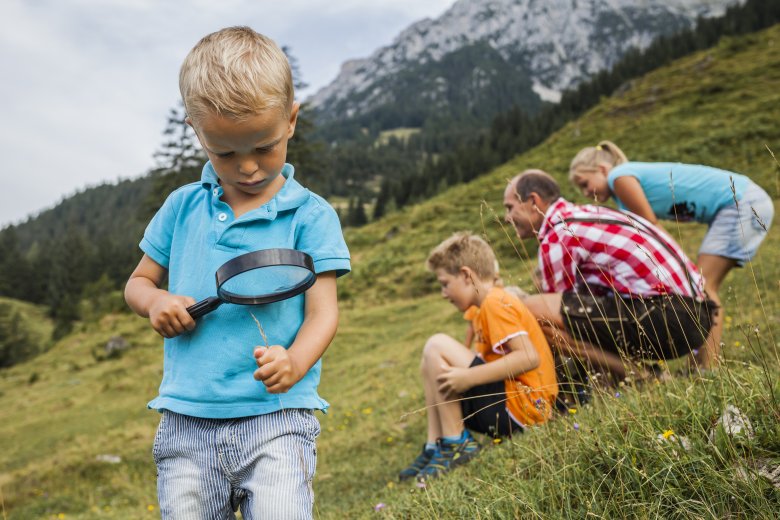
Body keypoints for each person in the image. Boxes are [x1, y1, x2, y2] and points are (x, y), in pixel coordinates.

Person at [124, 27, 350, 519]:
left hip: (277, 417)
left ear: (290, 121)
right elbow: (138, 283)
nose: (247, 168)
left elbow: (323, 314)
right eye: (224, 153)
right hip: (186, 419)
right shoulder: (180, 207)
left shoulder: (311, 217)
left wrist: (294, 361)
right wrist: (156, 302)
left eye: (263, 148)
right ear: (196, 131)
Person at [568, 141, 774, 369]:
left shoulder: (619, 177)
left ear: (602, 170)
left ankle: (707, 370)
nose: (586, 193)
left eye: (585, 184)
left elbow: (652, 225)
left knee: (702, 287)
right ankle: (698, 367)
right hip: (745, 202)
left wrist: (680, 265)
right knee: (699, 288)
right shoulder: (621, 187)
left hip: (743, 202)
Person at [503, 170, 715, 381]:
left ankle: (643, 377)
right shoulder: (588, 213)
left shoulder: (558, 233)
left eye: (510, 207)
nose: (506, 218)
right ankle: (616, 379)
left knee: (534, 312)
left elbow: (553, 309)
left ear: (533, 201)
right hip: (698, 315)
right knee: (572, 312)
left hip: (670, 317)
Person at [398, 233, 557, 481]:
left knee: (436, 344)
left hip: (525, 409)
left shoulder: (495, 302)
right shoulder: (482, 307)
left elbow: (528, 357)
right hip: (513, 406)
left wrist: (468, 377)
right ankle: (436, 443)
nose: (443, 293)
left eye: (444, 283)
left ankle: (456, 442)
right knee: (429, 359)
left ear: (465, 275)